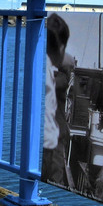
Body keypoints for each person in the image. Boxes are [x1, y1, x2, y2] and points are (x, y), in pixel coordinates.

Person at [41, 14, 72, 187]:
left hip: (41, 143)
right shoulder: (51, 72)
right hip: (48, 146)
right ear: (61, 47)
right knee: (53, 185)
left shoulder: (40, 64)